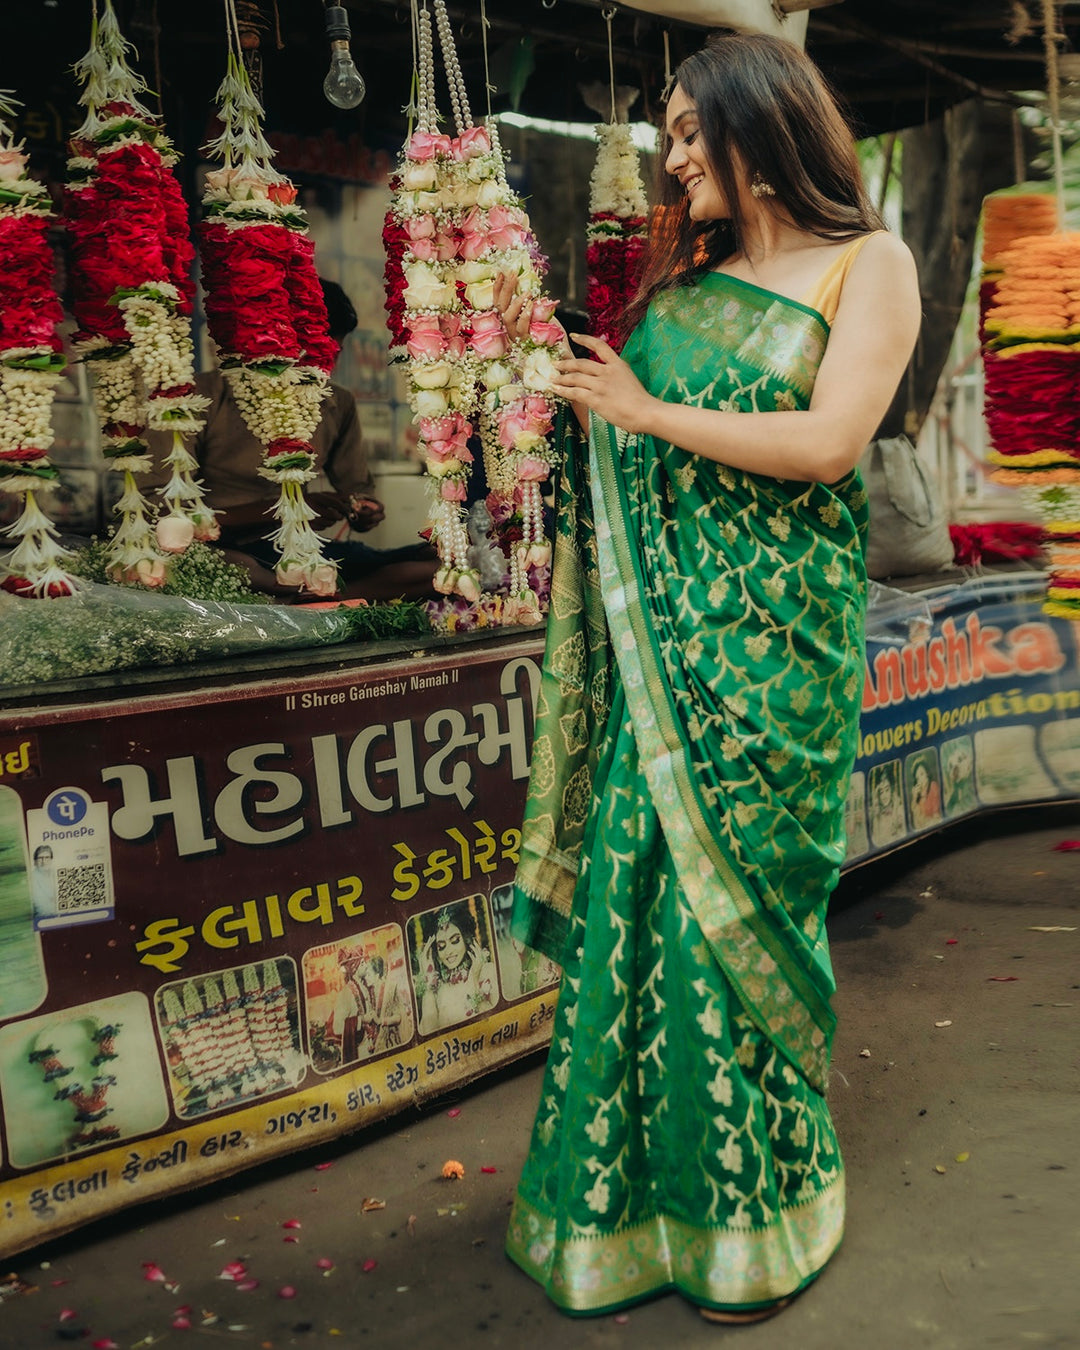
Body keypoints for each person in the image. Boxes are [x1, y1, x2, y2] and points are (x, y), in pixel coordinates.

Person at [493, 33, 921, 1323]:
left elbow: (830, 444)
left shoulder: (870, 261)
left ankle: (755, 1213)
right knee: (642, 905)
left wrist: (640, 415)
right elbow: (637, 451)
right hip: (661, 657)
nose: (673, 159)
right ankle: (627, 1208)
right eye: (666, 135)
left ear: (761, 122)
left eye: (688, 131)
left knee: (734, 922)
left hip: (771, 654)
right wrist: (574, 417)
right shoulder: (690, 288)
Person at [150, 280, 436, 602]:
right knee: (244, 569)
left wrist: (362, 510)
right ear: (278, 342)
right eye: (314, 354)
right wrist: (288, 510)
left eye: (333, 355)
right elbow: (162, 515)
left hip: (296, 551)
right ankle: (311, 595)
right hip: (222, 550)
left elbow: (357, 489)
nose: (324, 368)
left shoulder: (335, 402)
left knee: (431, 567)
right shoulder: (200, 398)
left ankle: (311, 595)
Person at [415, 903, 497, 1036]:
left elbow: (498, 1025)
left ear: (466, 939)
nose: (448, 951)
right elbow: (429, 1035)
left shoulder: (487, 971)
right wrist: (427, 978)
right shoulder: (438, 989)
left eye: (455, 941)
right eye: (441, 946)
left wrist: (475, 980)